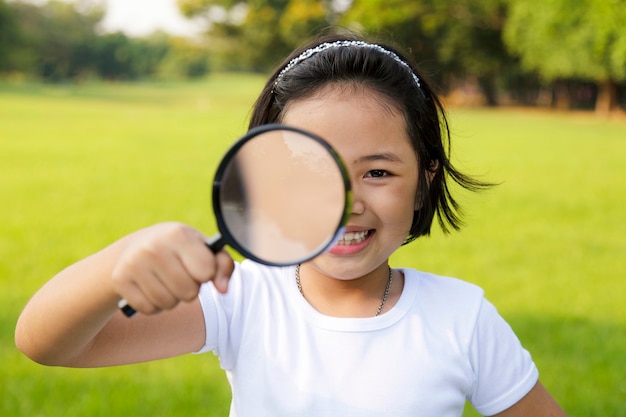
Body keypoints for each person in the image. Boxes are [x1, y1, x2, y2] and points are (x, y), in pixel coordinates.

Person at [15, 33, 567, 417]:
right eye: (311, 172)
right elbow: (45, 343)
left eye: (377, 171)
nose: (346, 203)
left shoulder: (464, 318)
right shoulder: (242, 297)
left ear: (424, 178)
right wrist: (119, 265)